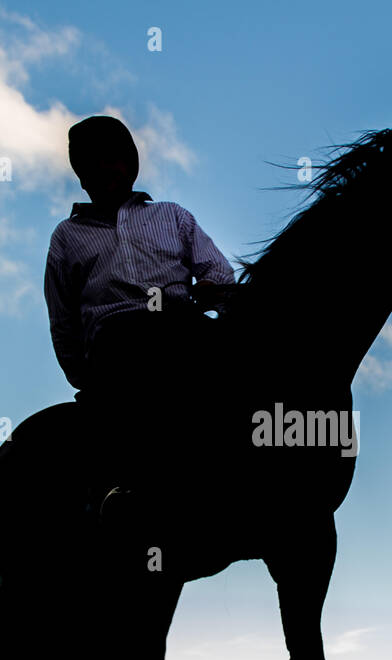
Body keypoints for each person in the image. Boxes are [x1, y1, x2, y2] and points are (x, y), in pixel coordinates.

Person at [44, 115, 236, 525]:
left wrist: (210, 290)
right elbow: (62, 317)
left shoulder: (172, 216)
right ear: (81, 177)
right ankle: (114, 490)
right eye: (93, 163)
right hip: (115, 338)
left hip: (183, 324)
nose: (106, 169)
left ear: (131, 165)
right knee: (126, 373)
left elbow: (218, 271)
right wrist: (83, 376)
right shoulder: (67, 236)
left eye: (114, 159)